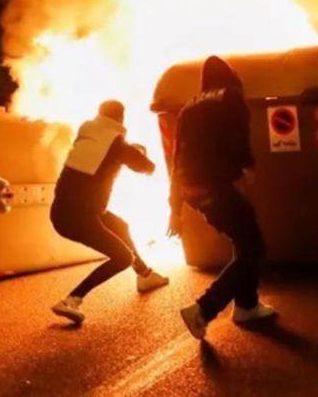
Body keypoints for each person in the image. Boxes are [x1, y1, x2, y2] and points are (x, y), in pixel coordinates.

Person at [171, 56, 276, 340]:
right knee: (253, 247)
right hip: (217, 183)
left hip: (191, 188)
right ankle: (203, 309)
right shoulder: (231, 96)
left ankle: (246, 305)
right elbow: (237, 137)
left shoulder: (188, 107)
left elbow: (176, 156)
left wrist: (175, 207)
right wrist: (245, 170)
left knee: (244, 240)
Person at [50, 100, 169, 325]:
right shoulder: (116, 145)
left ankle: (145, 275)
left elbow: (107, 153)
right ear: (121, 119)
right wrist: (137, 152)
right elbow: (147, 167)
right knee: (122, 257)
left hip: (67, 211)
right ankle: (72, 299)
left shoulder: (88, 134)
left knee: (121, 226)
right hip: (78, 217)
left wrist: (127, 150)